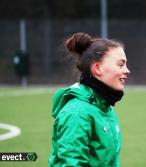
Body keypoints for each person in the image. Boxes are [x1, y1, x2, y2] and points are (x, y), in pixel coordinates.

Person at [48, 32, 130, 167]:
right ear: (97, 68)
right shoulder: (77, 113)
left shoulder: (105, 107)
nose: (127, 70)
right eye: (120, 65)